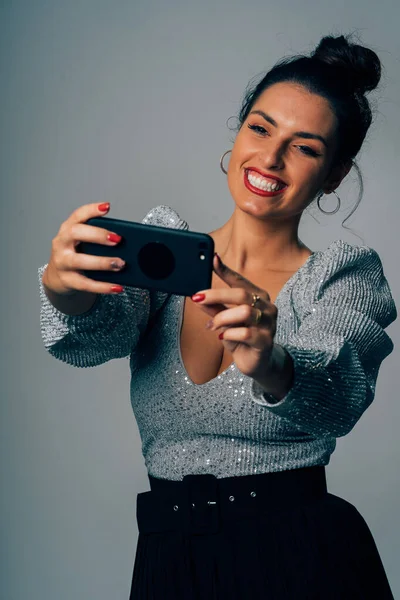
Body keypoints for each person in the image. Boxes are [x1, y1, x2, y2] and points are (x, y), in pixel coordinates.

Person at [38, 34, 397, 599]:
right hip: (168, 558)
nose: (271, 159)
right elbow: (95, 336)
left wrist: (273, 360)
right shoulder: (166, 255)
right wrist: (65, 288)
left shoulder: (344, 275)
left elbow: (340, 392)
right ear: (239, 132)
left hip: (301, 556)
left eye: (305, 147)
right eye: (260, 128)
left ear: (333, 174)